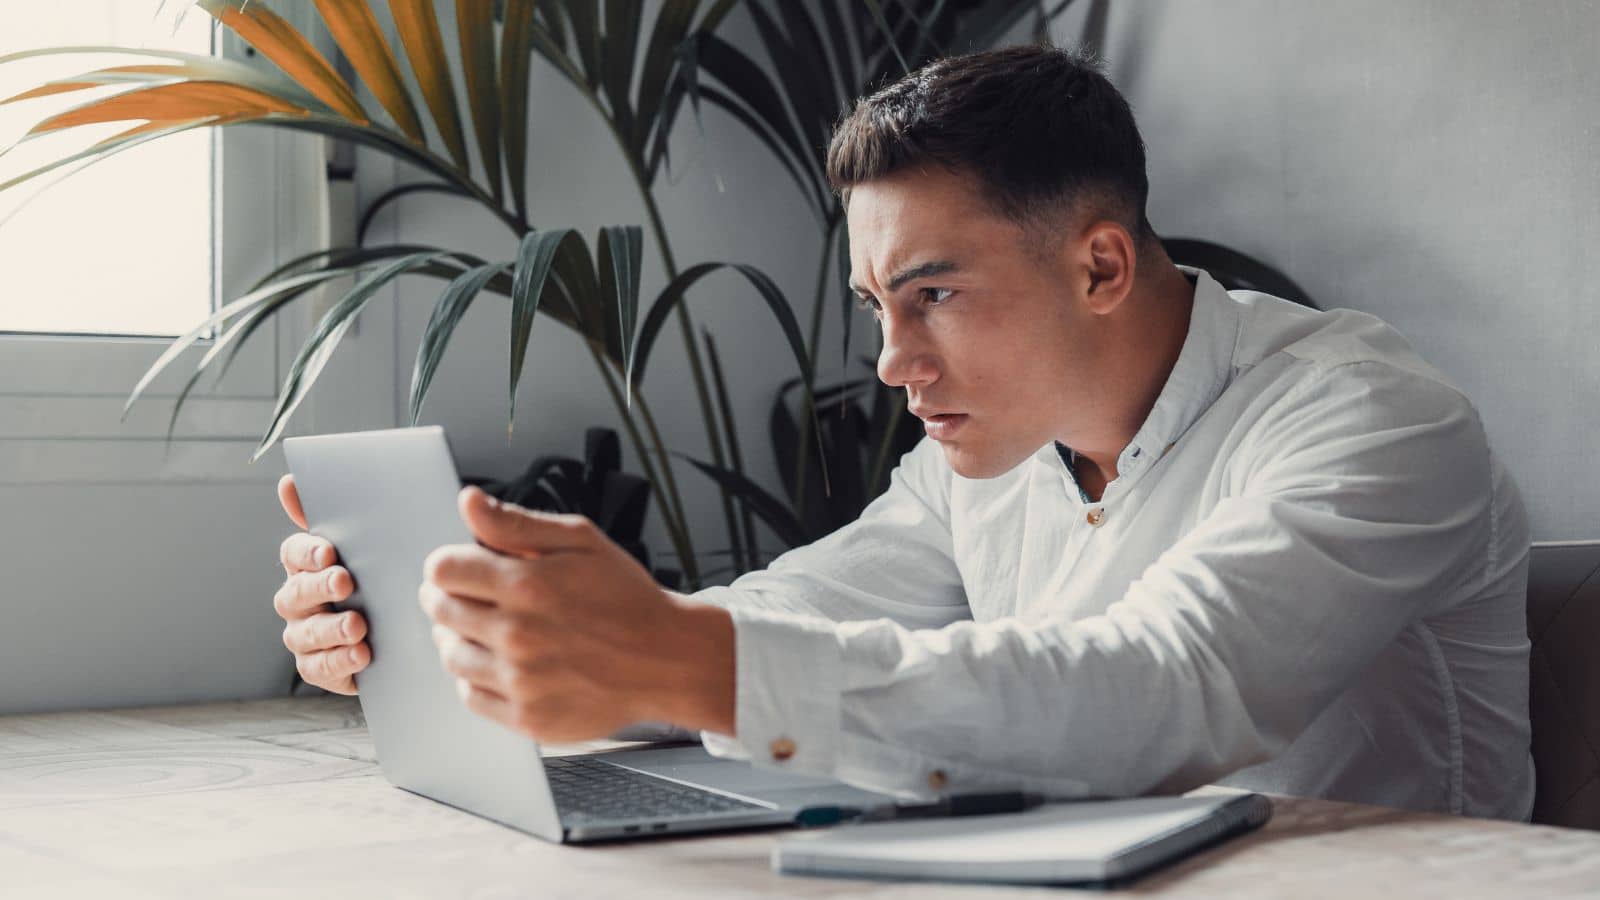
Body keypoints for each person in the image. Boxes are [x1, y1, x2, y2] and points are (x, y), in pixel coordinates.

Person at [273, 44, 1533, 819]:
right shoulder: (981, 453)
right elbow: (792, 610)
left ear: (1100, 265)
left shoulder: (1373, 419)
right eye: (878, 306)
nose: (891, 363)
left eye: (933, 294)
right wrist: (487, 640)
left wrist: (676, 661)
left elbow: (1163, 689)